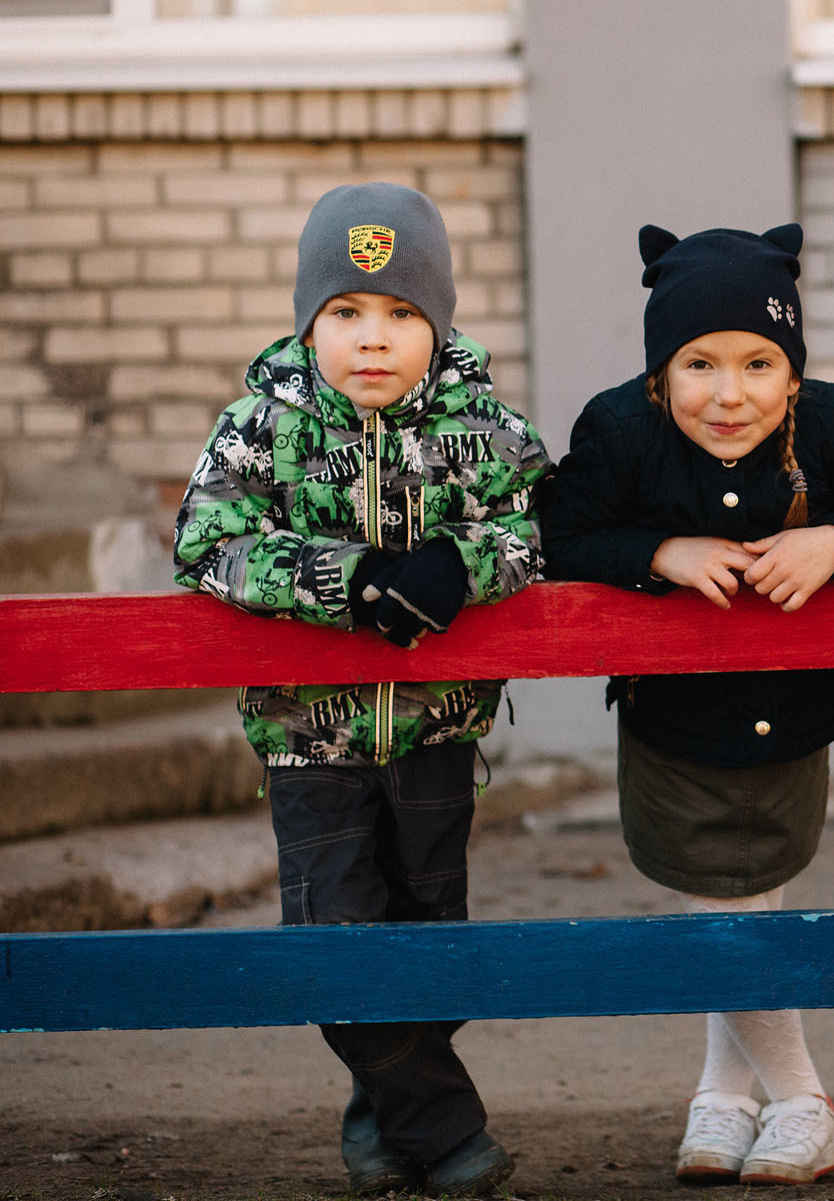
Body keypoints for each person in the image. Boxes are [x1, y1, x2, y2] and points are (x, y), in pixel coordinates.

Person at [174, 182, 548, 1196]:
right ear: (309, 320)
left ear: (440, 323)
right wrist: (348, 580)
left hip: (437, 734)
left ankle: (385, 1116)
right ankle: (450, 1129)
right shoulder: (262, 422)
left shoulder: (486, 424)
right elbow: (207, 545)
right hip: (311, 740)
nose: (370, 339)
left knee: (432, 939)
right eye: (343, 313)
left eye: (400, 314)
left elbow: (533, 530)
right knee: (335, 943)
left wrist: (455, 566)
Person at [538, 223, 834, 1186]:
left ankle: (724, 1093)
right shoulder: (620, 430)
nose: (729, 392)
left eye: (758, 363)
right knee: (721, 898)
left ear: (793, 372)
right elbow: (560, 532)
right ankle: (800, 1100)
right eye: (698, 363)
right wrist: (658, 554)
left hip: (796, 714)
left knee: (750, 892)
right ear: (661, 372)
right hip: (676, 722)